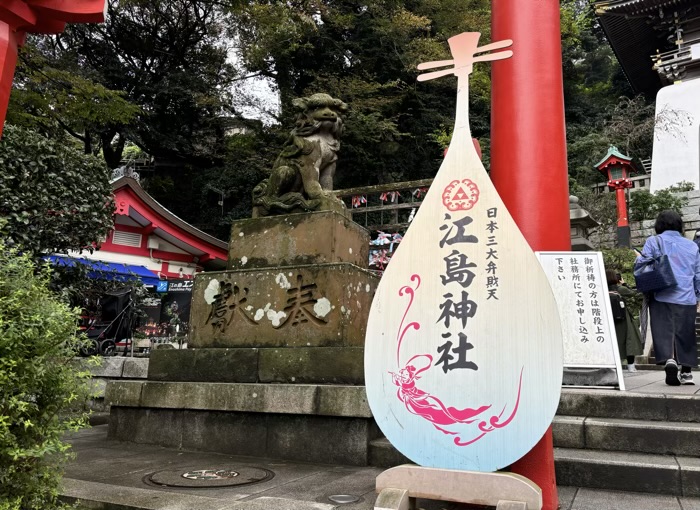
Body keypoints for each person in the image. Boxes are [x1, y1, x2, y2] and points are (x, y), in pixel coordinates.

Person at [635, 210, 700, 386]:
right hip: (686, 296)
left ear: (659, 225)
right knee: (686, 333)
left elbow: (641, 265)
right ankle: (686, 373)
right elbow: (698, 274)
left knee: (664, 330)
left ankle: (670, 360)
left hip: (661, 293)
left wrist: (638, 259)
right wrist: (698, 295)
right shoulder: (692, 246)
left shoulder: (653, 241)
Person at [606, 269, 643, 372]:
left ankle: (613, 365)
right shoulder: (620, 289)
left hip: (609, 319)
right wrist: (625, 284)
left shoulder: (602, 289)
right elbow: (634, 294)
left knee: (614, 341)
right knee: (629, 340)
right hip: (623, 318)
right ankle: (631, 366)